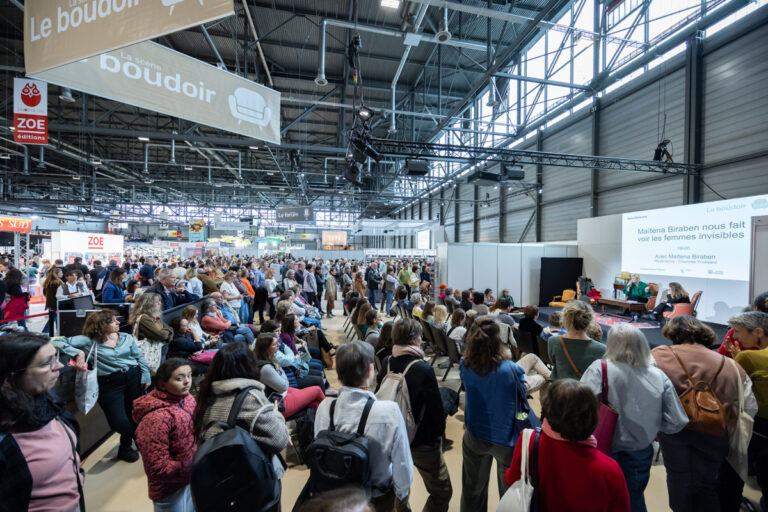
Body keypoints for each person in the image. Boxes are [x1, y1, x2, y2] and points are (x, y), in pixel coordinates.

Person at [652, 315, 757, 512]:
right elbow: (749, 406)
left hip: (674, 432)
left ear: (671, 333)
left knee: (678, 479)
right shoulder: (731, 366)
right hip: (716, 431)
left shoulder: (658, 356)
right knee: (708, 483)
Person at [581, 324, 689, 512]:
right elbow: (677, 421)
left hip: (602, 447)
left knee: (598, 497)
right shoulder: (658, 375)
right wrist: (651, 425)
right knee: (633, 498)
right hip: (640, 449)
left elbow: (578, 406)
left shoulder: (600, 368)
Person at [314, 341, 413, 510]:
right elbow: (402, 466)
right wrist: (401, 496)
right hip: (376, 498)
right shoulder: (389, 411)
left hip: (333, 495)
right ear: (369, 370)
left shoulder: (325, 407)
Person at [504, 379, 631, 512]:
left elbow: (512, 479)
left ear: (548, 411)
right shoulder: (610, 469)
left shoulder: (529, 441)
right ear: (593, 417)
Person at [192, 343, 290, 512]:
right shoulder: (251, 398)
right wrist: (275, 414)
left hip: (219, 479)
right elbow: (279, 440)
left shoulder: (206, 394)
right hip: (250, 479)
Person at [0, 333, 84, 512]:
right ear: (10, 379)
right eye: (47, 362)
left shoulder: (50, 407)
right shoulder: (6, 439)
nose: (60, 366)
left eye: (56, 358)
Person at [375, 318, 452, 511]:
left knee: (400, 492)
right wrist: (437, 437)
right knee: (442, 491)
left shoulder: (387, 362)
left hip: (392, 438)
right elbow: (436, 412)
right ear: (413, 340)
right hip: (422, 442)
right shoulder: (423, 369)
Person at [54, 309, 150, 462]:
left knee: (135, 413)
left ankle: (125, 448)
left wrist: (145, 375)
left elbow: (139, 357)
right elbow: (56, 340)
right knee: (118, 421)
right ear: (102, 325)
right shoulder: (88, 340)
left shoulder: (125, 337)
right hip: (109, 384)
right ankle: (138, 436)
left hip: (134, 377)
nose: (118, 322)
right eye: (113, 321)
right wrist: (78, 353)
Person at [459, 317, 535, 511]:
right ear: (497, 340)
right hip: (506, 440)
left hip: (474, 434)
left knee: (472, 491)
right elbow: (521, 389)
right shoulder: (510, 369)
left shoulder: (464, 364)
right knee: (509, 493)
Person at [717, 311, 768, 511]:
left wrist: (739, 358)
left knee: (731, 474)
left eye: (738, 332)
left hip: (755, 427)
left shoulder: (749, 356)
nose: (735, 336)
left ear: (758, 332)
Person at [133, 359, 197, 511]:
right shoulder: (156, 418)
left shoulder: (187, 398)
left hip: (190, 476)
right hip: (170, 488)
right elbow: (158, 468)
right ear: (162, 384)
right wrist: (195, 464)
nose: (187, 382)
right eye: (179, 378)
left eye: (189, 375)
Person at [253, 333, 325, 418]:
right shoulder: (266, 368)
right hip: (278, 403)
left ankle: (321, 424)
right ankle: (331, 412)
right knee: (317, 390)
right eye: (274, 344)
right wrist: (280, 371)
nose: (279, 345)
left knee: (315, 403)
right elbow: (285, 385)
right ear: (266, 348)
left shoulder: (269, 358)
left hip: (280, 393)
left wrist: (280, 371)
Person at [548, 301, 606, 380]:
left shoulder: (553, 341)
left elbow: (553, 362)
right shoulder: (602, 349)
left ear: (565, 319)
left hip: (559, 389)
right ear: (589, 320)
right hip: (586, 391)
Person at [717, 291, 768, 359]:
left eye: (737, 331)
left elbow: (719, 360)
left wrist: (740, 360)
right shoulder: (741, 331)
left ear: (756, 310)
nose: (735, 336)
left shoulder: (740, 331)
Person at [41, 266, 63, 335]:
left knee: (55, 318)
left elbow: (44, 293)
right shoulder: (58, 282)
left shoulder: (48, 282)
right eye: (61, 272)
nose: (62, 273)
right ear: (57, 274)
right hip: (56, 303)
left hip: (50, 303)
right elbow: (62, 293)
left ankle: (58, 331)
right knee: (53, 318)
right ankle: (45, 331)